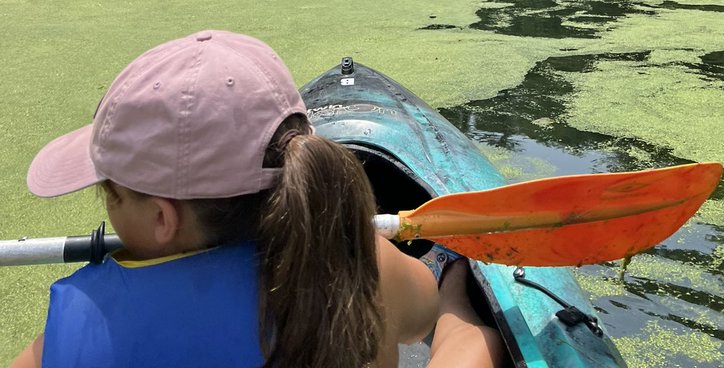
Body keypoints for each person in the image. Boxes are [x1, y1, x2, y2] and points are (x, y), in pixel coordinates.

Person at [11, 30, 505, 368]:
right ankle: (457, 292)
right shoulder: (363, 262)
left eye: (111, 194)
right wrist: (452, 304)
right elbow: (418, 321)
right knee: (470, 338)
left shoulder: (77, 319)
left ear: (163, 217)